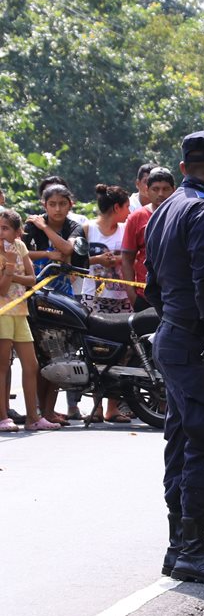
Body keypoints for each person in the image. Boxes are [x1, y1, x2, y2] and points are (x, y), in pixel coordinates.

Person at [144, 129, 204, 588]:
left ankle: (178, 545)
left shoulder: (164, 208)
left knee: (183, 439)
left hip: (173, 334)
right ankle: (192, 550)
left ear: (184, 168)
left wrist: (178, 322)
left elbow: (152, 284)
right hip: (195, 341)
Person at [23, 182, 86, 424]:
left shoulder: (73, 227)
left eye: (62, 204)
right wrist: (48, 254)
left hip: (62, 297)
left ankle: (49, 410)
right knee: (41, 356)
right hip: (35, 297)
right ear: (44, 205)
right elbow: (21, 252)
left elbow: (67, 248)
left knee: (58, 355)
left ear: (70, 205)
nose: (57, 209)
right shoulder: (31, 226)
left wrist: (45, 228)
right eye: (52, 204)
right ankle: (41, 411)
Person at [75, 184, 133, 422]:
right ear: (117, 207)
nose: (129, 211)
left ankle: (112, 407)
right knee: (95, 351)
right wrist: (98, 259)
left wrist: (117, 260)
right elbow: (75, 259)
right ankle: (96, 407)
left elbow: (132, 257)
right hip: (94, 298)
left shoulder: (126, 229)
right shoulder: (88, 229)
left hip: (122, 298)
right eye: (127, 206)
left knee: (123, 352)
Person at [0, 209, 54, 431]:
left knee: (31, 365)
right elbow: (2, 290)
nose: (0, 233)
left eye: (5, 229)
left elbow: (32, 279)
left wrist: (10, 272)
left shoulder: (20, 247)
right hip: (2, 313)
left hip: (20, 312)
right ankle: (3, 417)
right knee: (2, 365)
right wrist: (10, 266)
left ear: (17, 232)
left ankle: (33, 417)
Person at [122, 167, 176, 310]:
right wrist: (132, 296)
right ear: (147, 190)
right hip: (144, 296)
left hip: (177, 296)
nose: (160, 194)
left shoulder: (182, 215)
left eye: (165, 189)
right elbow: (127, 258)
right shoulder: (136, 217)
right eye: (155, 189)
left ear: (174, 190)